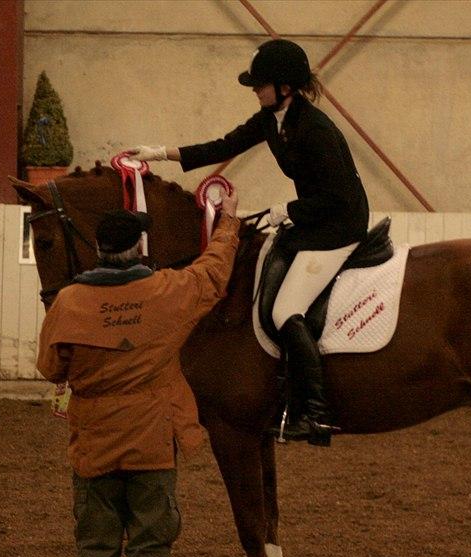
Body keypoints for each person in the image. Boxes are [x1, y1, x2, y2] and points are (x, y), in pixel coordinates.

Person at [36, 191, 240, 557]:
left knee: (96, 546)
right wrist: (227, 226)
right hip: (151, 440)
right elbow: (212, 275)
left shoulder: (68, 302)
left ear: (99, 251)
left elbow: (50, 370)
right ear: (139, 247)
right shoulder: (165, 292)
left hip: (94, 442)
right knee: (150, 545)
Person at [129, 38, 370, 446]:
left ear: (286, 87)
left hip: (339, 226)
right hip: (311, 222)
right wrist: (158, 153)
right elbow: (223, 146)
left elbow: (340, 197)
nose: (255, 90)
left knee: (287, 309)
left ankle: (315, 413)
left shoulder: (317, 130)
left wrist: (287, 210)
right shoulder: (270, 119)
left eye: (261, 85)